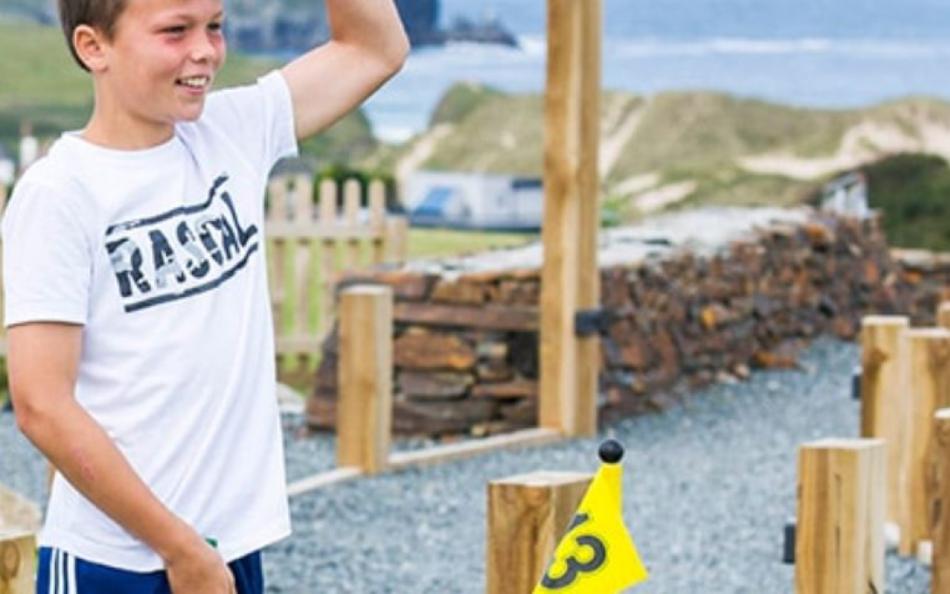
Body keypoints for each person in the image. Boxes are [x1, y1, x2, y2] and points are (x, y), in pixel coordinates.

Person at [2, 0, 409, 591]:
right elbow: (41, 404)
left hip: (225, 546)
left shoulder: (230, 132)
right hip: (118, 561)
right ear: (94, 48)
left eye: (214, 26)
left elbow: (376, 49)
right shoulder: (59, 194)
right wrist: (179, 547)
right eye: (175, 31)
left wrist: (197, 553)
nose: (205, 51)